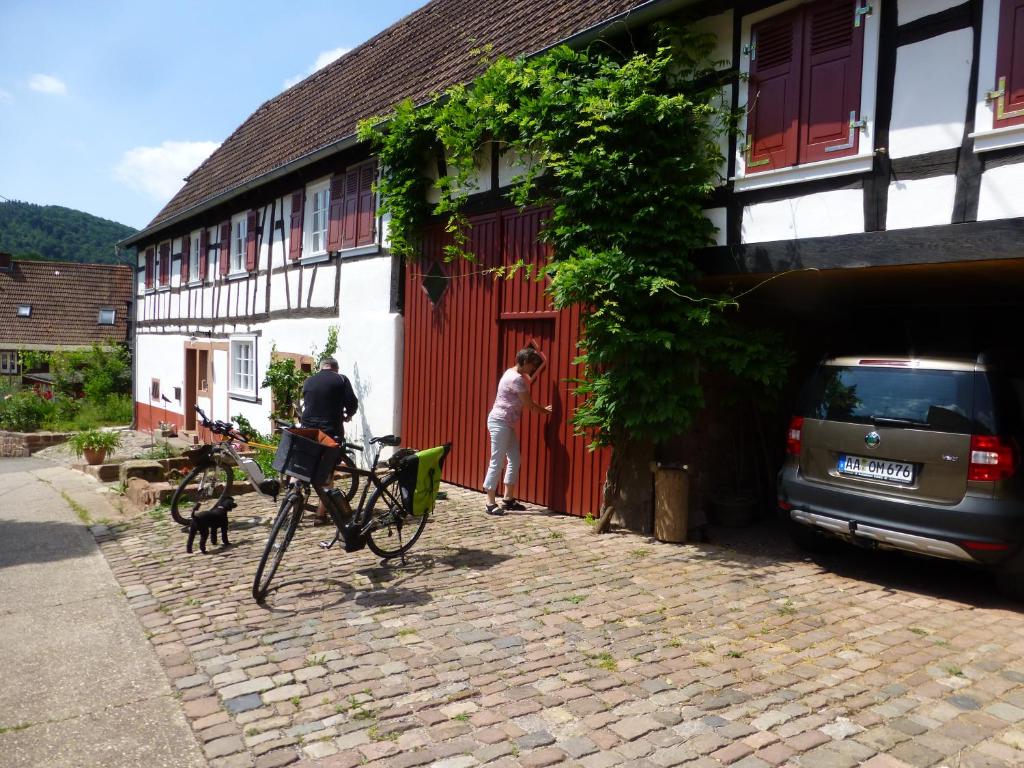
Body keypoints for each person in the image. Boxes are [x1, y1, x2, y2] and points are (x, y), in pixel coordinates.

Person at [483, 348, 552, 515]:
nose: (533, 369)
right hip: (500, 422)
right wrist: (545, 410)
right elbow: (528, 405)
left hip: (506, 423)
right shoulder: (516, 380)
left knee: (514, 459)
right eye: (531, 365)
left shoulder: (510, 372)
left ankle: (508, 500)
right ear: (524, 362)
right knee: (497, 460)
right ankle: (490, 502)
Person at [300, 357, 358, 523]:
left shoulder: (309, 380)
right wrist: (348, 416)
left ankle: (294, 498)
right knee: (327, 471)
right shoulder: (341, 379)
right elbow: (352, 403)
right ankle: (320, 515)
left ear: (321, 367)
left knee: (303, 465)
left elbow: (308, 402)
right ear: (336, 368)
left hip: (307, 430)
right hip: (329, 431)